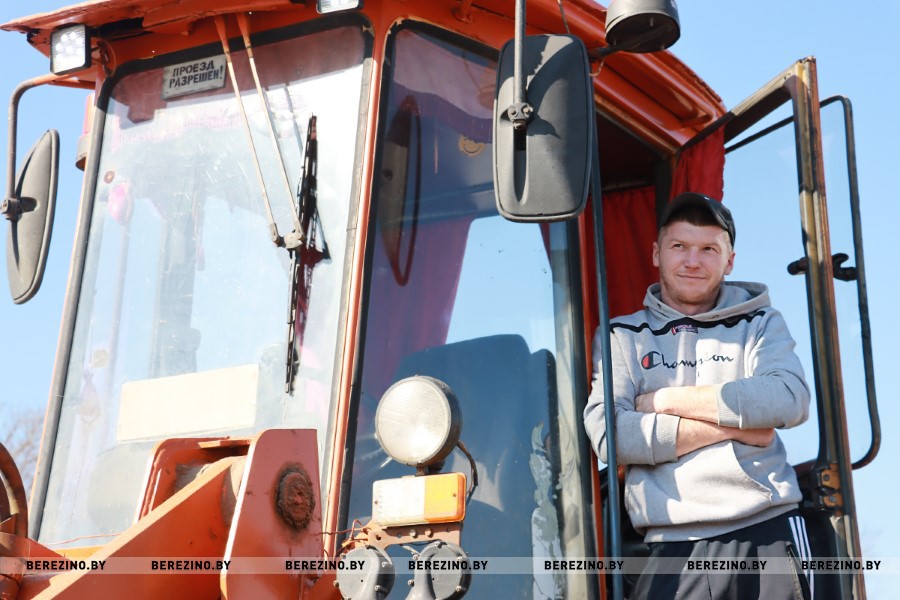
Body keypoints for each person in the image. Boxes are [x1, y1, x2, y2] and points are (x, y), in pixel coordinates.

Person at [583, 192, 813, 599]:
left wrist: (662, 402)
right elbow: (610, 435)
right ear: (656, 254)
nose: (693, 261)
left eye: (709, 249)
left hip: (767, 530)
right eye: (679, 246)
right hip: (670, 542)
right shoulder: (621, 336)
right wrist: (738, 429)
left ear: (729, 261)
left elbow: (787, 398)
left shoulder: (760, 323)